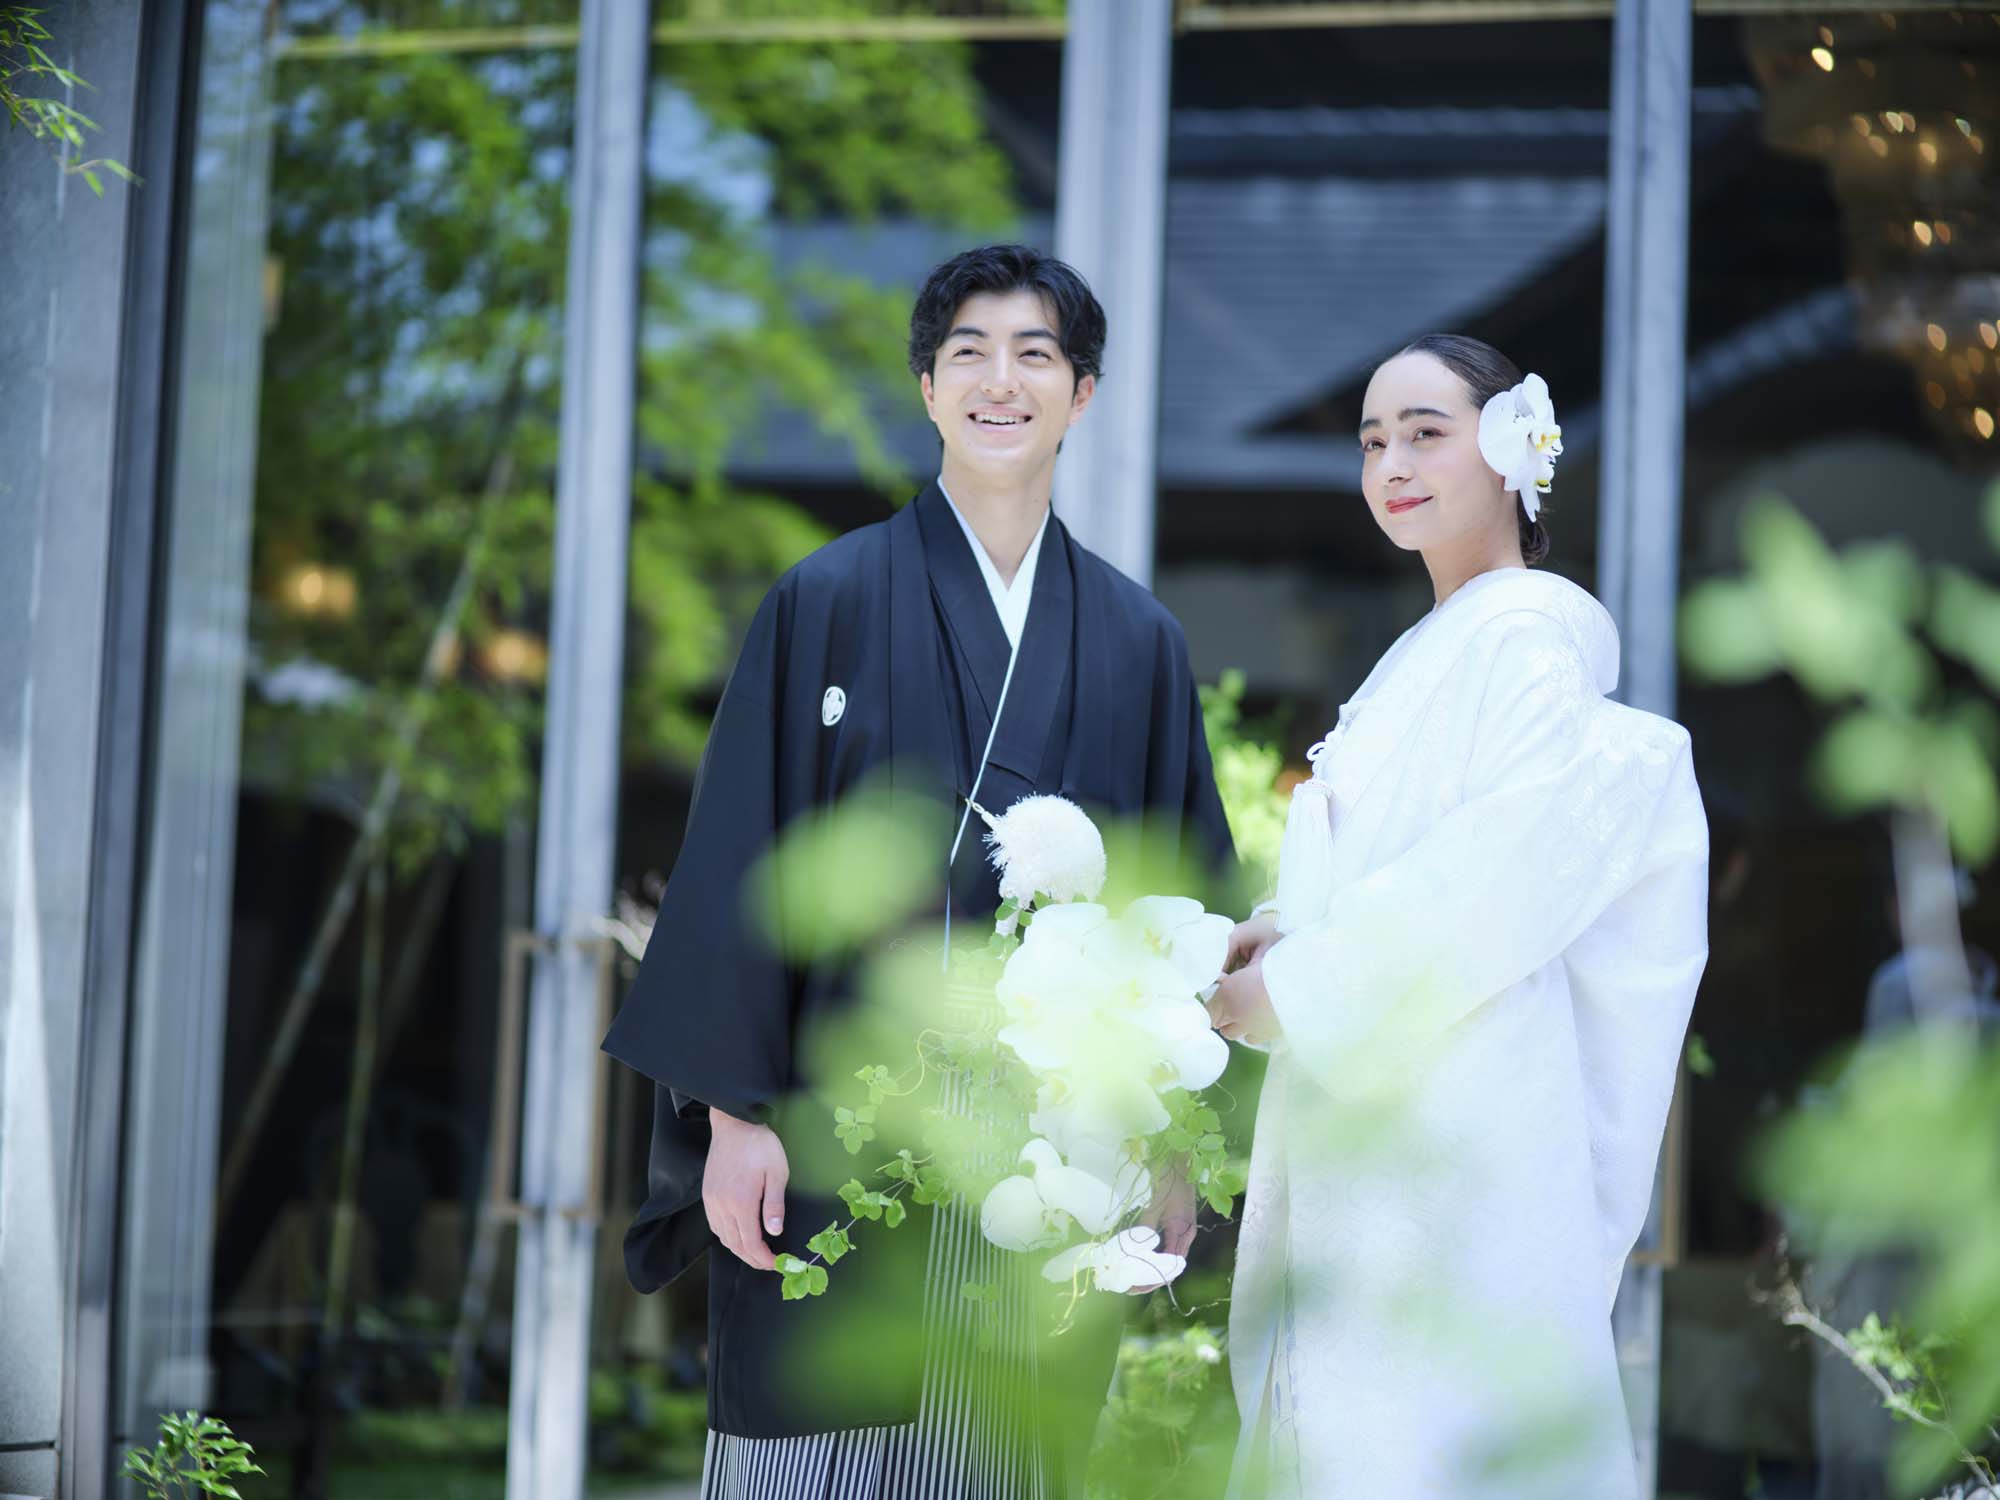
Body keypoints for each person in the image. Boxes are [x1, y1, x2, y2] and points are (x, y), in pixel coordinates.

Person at [602, 244, 1235, 1499]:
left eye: (1034, 356)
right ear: (927, 388)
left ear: (1082, 393)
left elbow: (1174, 906)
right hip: (837, 1126)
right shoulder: (824, 601)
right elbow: (740, 858)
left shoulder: (1135, 640)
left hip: (1056, 1144)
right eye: (968, 354)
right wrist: (732, 1117)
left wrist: (1173, 1143)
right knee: (817, 1443)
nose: (1001, 382)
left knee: (1013, 1449)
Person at [1204, 335, 1710, 1499]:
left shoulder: (1525, 639)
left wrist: (1302, 986)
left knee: (1421, 1424)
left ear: (1506, 449)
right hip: (1397, 1099)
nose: (1391, 463)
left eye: (1424, 434)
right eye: (1372, 441)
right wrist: (1286, 930)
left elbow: (1499, 873)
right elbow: (1411, 853)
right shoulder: (1446, 642)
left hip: (1460, 1114)